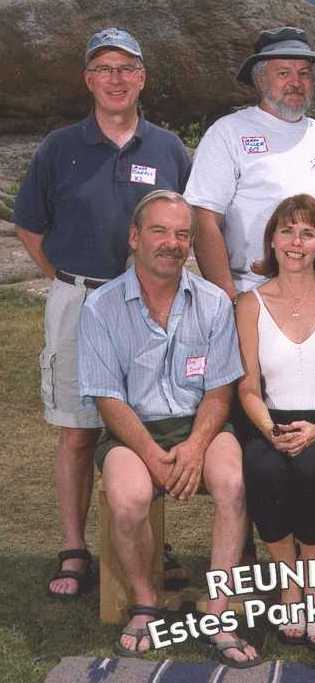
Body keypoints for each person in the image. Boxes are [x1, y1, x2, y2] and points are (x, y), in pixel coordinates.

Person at [12, 27, 191, 599]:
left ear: (143, 78)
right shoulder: (59, 147)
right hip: (81, 300)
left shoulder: (168, 149)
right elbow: (30, 225)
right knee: (78, 431)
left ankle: (150, 538)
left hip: (151, 304)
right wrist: (68, 282)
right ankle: (73, 548)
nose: (116, 79)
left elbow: (186, 223)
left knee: (148, 423)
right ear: (89, 79)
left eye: (127, 69)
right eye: (105, 69)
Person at [77, 191, 259, 668]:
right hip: (131, 429)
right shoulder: (100, 306)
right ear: (135, 237)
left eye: (182, 234)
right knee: (129, 497)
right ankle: (146, 600)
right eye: (159, 231)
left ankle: (219, 608)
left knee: (233, 483)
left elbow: (219, 390)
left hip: (202, 424)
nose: (171, 243)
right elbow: (108, 399)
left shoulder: (213, 301)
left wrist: (196, 446)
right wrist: (153, 456)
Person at [236, 193, 315, 650]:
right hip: (269, 420)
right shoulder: (250, 303)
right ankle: (289, 584)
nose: (296, 242)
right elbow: (248, 386)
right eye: (287, 231)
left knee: (312, 469)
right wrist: (270, 430)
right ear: (271, 240)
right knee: (263, 468)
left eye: (307, 233)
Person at [184, 25, 315, 299]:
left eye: (304, 74)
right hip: (253, 297)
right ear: (260, 80)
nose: (296, 82)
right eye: (283, 73)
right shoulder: (228, 133)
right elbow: (204, 220)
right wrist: (229, 301)